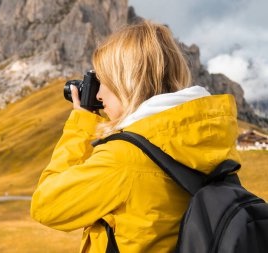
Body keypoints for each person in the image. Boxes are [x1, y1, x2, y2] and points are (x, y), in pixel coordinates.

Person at [31, 20, 240, 253]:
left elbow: (46, 205)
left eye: (104, 81)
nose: (98, 95)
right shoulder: (208, 138)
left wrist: (81, 123)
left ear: (127, 81)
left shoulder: (124, 158)